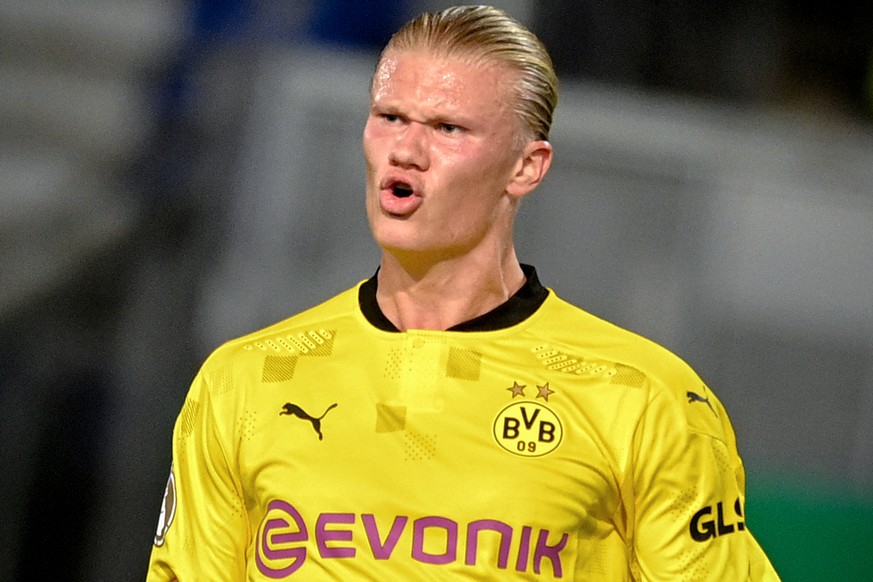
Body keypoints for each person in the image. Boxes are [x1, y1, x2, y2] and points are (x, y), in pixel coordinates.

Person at [147, 5, 780, 580]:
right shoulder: (245, 383)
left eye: (448, 128)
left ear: (525, 167)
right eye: (389, 117)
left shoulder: (643, 398)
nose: (406, 150)